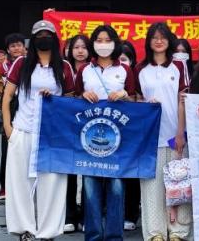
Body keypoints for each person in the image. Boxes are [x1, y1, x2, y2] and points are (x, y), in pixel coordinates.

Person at [3, 21, 75, 241]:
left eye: (48, 34)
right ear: (32, 40)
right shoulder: (22, 63)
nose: (44, 38)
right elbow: (8, 96)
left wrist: (53, 99)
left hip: (52, 134)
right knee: (19, 183)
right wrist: (9, 129)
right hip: (23, 129)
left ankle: (48, 232)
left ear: (55, 38)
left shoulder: (64, 66)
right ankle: (24, 229)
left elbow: (70, 101)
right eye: (39, 35)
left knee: (52, 183)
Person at [76, 24, 137, 241]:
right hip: (89, 137)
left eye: (107, 40)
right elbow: (73, 98)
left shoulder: (125, 69)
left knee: (117, 188)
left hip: (118, 138)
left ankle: (113, 236)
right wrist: (83, 95)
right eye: (99, 40)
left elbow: (135, 99)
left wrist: (124, 94)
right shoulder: (85, 69)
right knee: (90, 188)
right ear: (93, 44)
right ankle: (93, 235)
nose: (103, 45)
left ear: (115, 43)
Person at [135, 22, 191, 241]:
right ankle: (155, 233)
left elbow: (182, 100)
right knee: (152, 186)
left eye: (163, 37)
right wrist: (145, 103)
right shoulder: (140, 69)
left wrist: (180, 133)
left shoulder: (178, 66)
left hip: (174, 134)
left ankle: (178, 231)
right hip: (149, 137)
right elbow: (136, 100)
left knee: (180, 181)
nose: (159, 41)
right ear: (149, 41)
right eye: (154, 37)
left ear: (169, 41)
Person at [64, 35, 93, 234]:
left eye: (84, 47)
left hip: (89, 127)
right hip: (67, 126)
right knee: (69, 172)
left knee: (89, 171)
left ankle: (86, 216)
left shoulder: (93, 70)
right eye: (76, 47)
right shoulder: (63, 68)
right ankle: (69, 215)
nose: (80, 51)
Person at [0, 34, 27, 200]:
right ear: (8, 49)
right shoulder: (5, 65)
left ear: (24, 46)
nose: (16, 48)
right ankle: (4, 186)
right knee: (7, 149)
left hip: (26, 107)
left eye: (19, 45)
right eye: (13, 46)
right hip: (12, 106)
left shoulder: (31, 62)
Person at [117, 39, 141, 232]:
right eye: (119, 59)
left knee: (132, 174)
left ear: (132, 60)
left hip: (133, 132)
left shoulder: (137, 75)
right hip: (112, 133)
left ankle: (130, 214)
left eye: (125, 59)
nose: (122, 62)